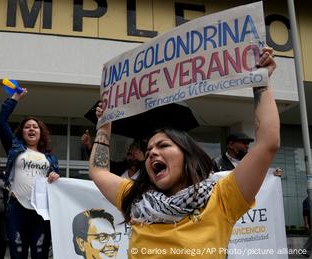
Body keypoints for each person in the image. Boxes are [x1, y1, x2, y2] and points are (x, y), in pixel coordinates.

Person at [88, 47, 279, 258]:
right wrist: (104, 126)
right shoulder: (136, 199)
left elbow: (267, 144)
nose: (151, 153)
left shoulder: (222, 197)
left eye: (163, 146)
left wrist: (261, 83)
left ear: (186, 154)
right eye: (149, 149)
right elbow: (99, 171)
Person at [0, 89, 60, 259]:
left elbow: (55, 182)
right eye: (27, 127)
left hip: (41, 211)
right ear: (22, 132)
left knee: (40, 253)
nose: (31, 129)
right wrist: (15, 98)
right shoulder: (14, 147)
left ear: (41, 133)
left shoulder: (50, 158)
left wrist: (55, 175)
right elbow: (1, 121)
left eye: (35, 127)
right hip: (16, 208)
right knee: (18, 253)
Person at [81, 130, 145, 180]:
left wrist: (142, 161)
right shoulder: (120, 167)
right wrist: (88, 145)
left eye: (136, 149)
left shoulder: (146, 172)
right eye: (130, 148)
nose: (131, 151)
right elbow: (101, 164)